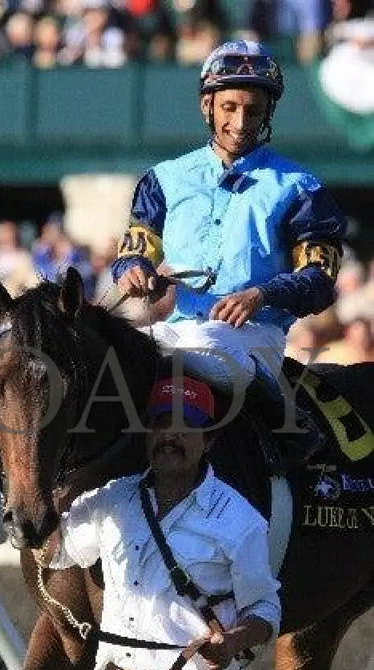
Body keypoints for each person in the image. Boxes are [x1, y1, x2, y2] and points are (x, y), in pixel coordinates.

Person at [30, 375, 281, 670]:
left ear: (209, 440)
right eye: (161, 424)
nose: (171, 436)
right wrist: (46, 500)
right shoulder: (112, 500)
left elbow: (267, 606)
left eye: (186, 426)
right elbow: (56, 553)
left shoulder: (241, 522)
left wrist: (235, 640)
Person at [110, 39, 347, 473]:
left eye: (253, 111)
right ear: (208, 105)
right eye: (229, 108)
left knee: (208, 344)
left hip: (253, 339)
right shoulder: (163, 179)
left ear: (267, 113)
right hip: (175, 333)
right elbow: (135, 247)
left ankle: (289, 418)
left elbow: (319, 278)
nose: (241, 123)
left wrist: (260, 294)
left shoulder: (301, 188)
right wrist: (133, 270)